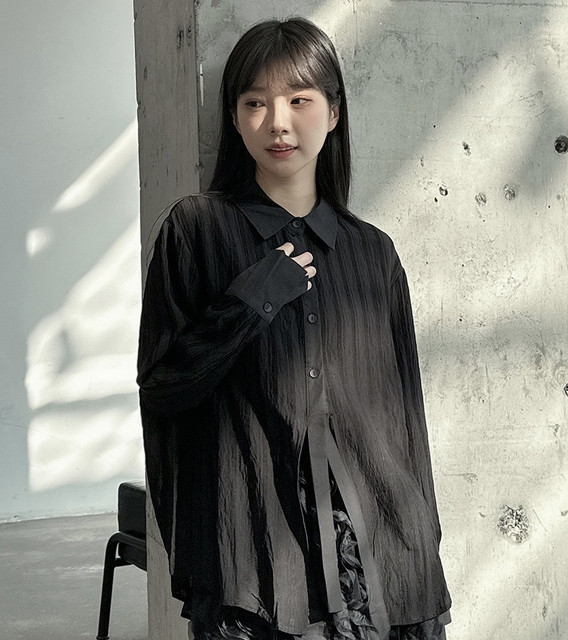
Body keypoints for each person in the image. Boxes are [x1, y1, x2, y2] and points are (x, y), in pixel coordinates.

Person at [137, 17, 451, 640]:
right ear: (234, 118)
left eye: (299, 100)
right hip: (256, 560)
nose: (277, 122)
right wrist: (250, 302)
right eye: (255, 102)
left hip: (378, 556)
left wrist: (423, 551)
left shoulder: (372, 252)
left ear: (333, 113)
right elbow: (164, 386)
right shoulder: (195, 232)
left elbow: (406, 420)